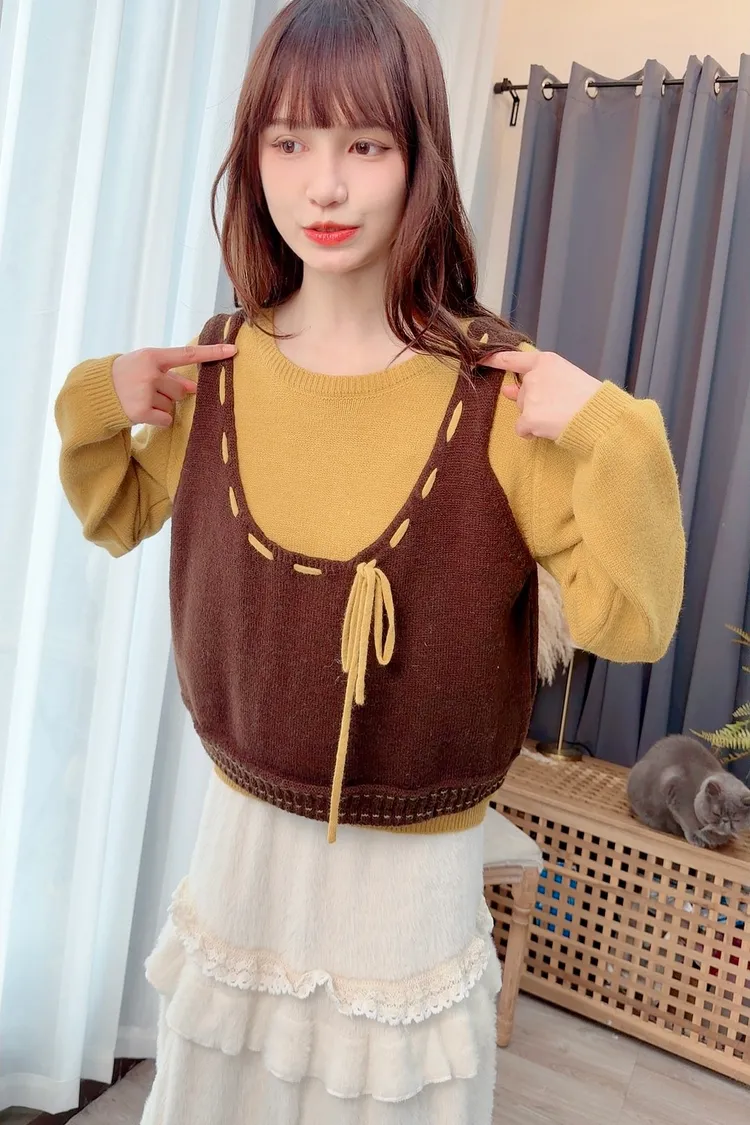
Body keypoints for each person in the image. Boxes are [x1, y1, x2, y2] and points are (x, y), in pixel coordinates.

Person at [54, 0, 686, 1121]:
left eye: (366, 144)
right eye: (289, 142)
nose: (326, 187)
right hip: (241, 855)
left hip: (409, 892)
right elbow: (113, 515)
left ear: (420, 158)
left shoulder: (500, 392)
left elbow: (631, 623)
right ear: (252, 157)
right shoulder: (220, 367)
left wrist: (613, 432)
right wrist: (97, 394)